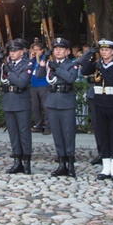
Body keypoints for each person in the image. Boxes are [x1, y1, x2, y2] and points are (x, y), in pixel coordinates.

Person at [80, 40, 113, 181]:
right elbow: (84, 70)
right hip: (99, 101)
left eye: (107, 50)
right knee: (102, 133)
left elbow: (112, 79)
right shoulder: (98, 64)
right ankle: (106, 166)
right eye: (102, 50)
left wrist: (101, 67)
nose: (104, 52)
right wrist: (91, 55)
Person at [35, 38, 79, 177]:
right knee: (57, 134)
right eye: (56, 49)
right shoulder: (49, 63)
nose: (58, 51)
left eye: (61, 48)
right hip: (52, 101)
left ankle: (70, 164)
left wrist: (57, 68)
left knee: (68, 133)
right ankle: (61, 163)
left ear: (67, 51)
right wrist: (44, 59)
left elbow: (70, 78)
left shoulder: (72, 64)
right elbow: (38, 75)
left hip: (66, 101)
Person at [0, 38, 33, 174]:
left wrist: (9, 72)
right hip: (8, 101)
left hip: (21, 101)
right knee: (13, 133)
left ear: (23, 51)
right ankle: (17, 161)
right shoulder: (6, 64)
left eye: (15, 51)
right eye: (10, 51)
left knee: (24, 133)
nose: (12, 53)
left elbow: (22, 82)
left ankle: (26, 162)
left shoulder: (27, 64)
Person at [29, 43, 50, 134]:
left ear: (42, 50)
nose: (35, 52)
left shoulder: (45, 58)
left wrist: (37, 58)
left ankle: (47, 126)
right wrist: (31, 58)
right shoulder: (32, 59)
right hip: (34, 85)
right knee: (35, 107)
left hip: (43, 84)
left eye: (38, 50)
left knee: (45, 106)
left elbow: (41, 68)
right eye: (34, 50)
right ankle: (38, 125)